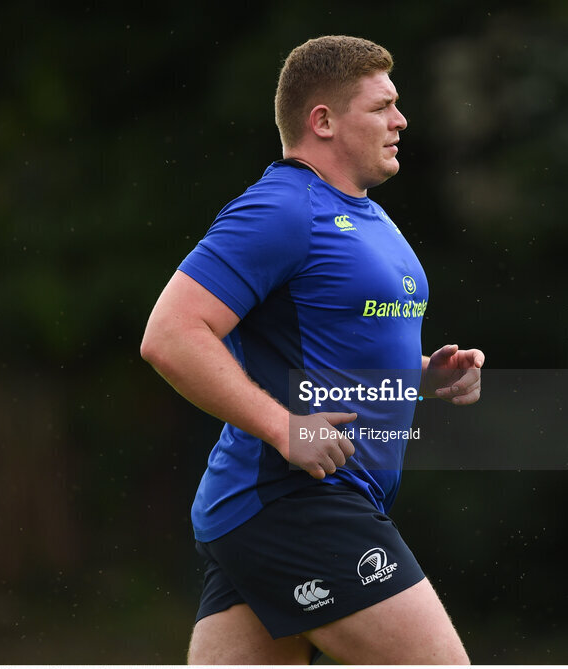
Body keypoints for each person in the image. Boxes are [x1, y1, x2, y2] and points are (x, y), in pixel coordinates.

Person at [141, 35, 484, 664]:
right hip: (296, 502)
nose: (401, 120)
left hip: (274, 510)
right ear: (322, 121)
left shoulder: (368, 216)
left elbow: (333, 343)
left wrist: (423, 376)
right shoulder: (281, 208)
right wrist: (284, 427)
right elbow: (171, 334)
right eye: (381, 106)